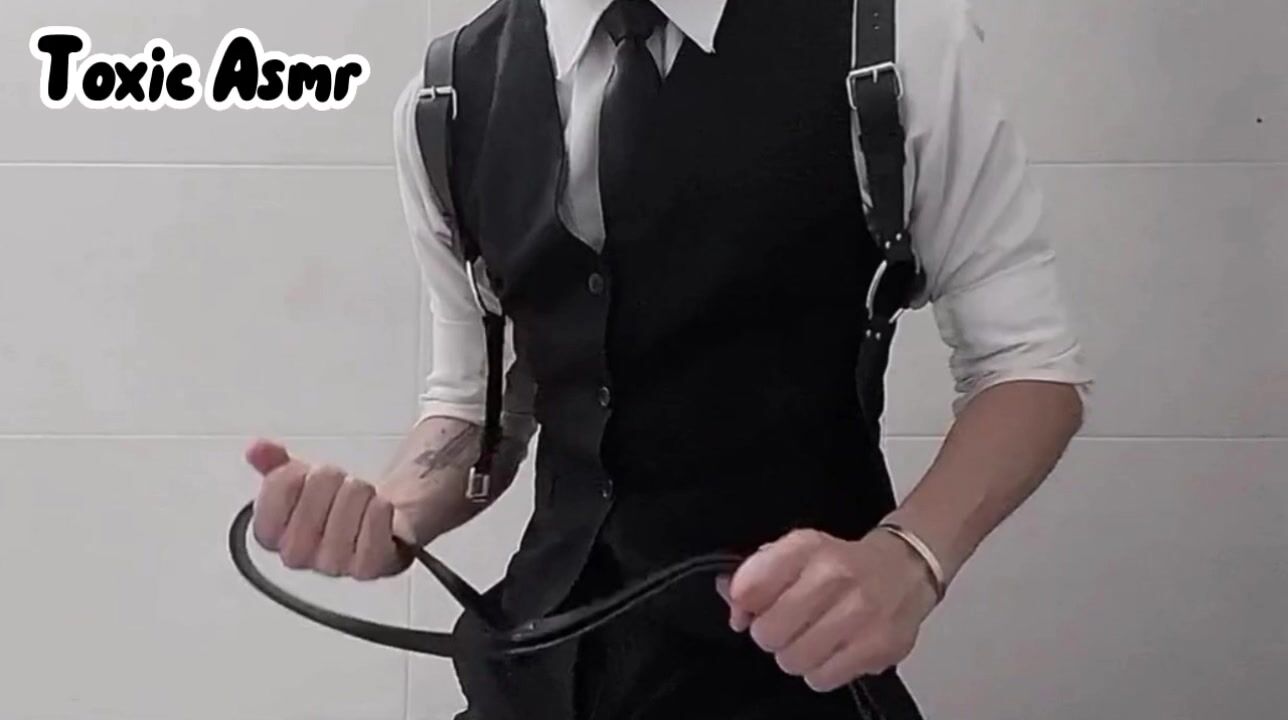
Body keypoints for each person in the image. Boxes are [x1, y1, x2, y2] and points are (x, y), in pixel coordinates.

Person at [243, 0, 1093, 717]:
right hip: (532, 677)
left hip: (791, 684)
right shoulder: (446, 96)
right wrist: (389, 512)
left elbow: (1028, 368)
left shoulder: (895, 47)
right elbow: (475, 406)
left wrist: (910, 557)